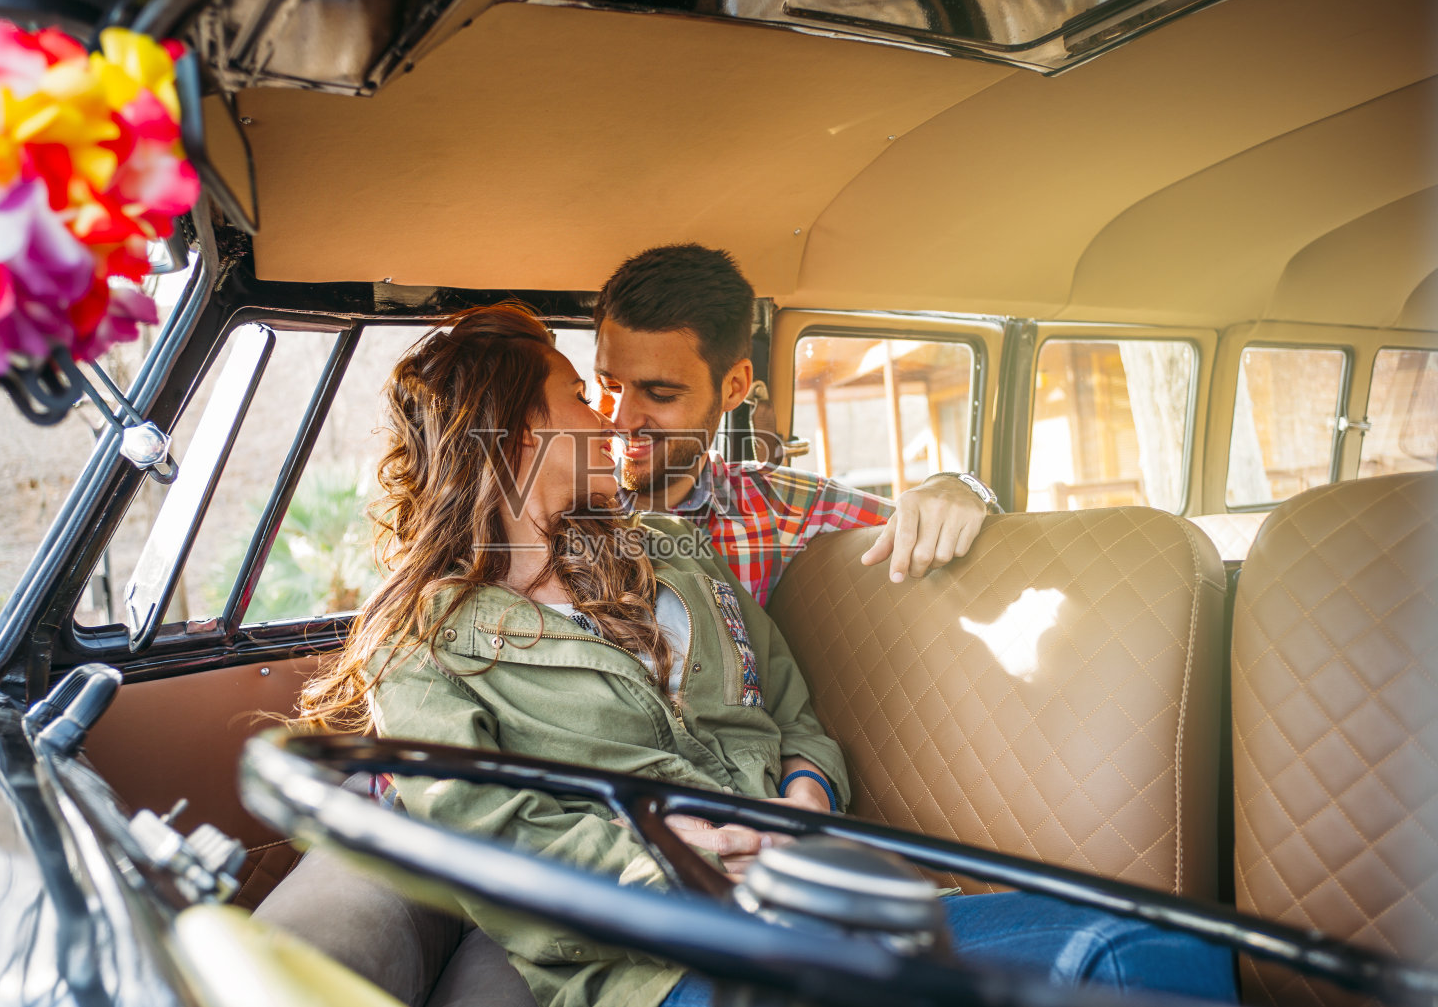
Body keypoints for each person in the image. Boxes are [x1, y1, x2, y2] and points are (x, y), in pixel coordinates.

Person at [261, 304, 1237, 1007]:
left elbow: (793, 714)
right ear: (522, 426)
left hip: (814, 889)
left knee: (1147, 946)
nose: (611, 418)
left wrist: (807, 790)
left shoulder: (674, 554)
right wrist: (678, 855)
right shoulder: (425, 646)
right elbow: (491, 844)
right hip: (662, 957)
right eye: (580, 394)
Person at [593, 243, 995, 608]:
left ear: (734, 387)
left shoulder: (785, 506)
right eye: (608, 386)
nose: (619, 420)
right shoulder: (559, 504)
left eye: (660, 393)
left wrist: (956, 487)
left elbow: (967, 539)